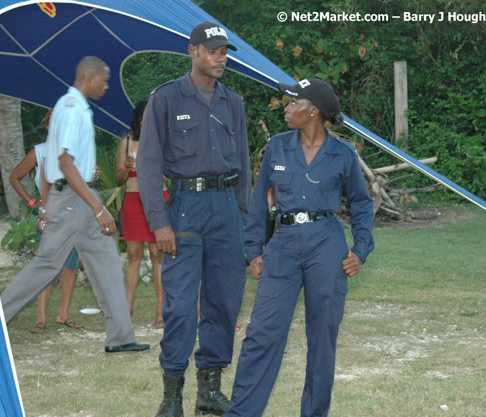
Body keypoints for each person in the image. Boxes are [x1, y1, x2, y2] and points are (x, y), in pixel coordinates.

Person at [226, 78, 375, 417]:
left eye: (293, 103)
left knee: (322, 339)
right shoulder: (277, 147)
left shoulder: (343, 153)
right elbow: (258, 203)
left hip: (326, 243)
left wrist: (361, 248)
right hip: (284, 245)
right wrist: (254, 250)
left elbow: (361, 204)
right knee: (261, 334)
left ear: (314, 111)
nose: (286, 108)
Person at [136, 21, 250, 417]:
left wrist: (243, 218)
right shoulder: (166, 99)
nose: (221, 57)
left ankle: (210, 391)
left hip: (226, 210)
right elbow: (148, 164)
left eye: (224, 51)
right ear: (193, 52)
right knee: (181, 306)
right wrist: (158, 221)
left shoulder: (233, 102)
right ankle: (172, 397)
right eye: (213, 49)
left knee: (223, 303)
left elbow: (245, 166)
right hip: (184, 210)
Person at [1, 56, 149, 354]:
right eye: (104, 80)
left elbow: (74, 162)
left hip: (80, 198)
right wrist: (98, 206)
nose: (107, 86)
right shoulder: (69, 110)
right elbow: (65, 163)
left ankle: (121, 337)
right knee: (48, 265)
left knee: (107, 262)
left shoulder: (79, 108)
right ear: (89, 77)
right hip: (71, 201)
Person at [8, 110, 83, 334]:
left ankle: (64, 315)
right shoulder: (39, 152)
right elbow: (14, 177)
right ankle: (41, 319)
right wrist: (32, 202)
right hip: (48, 216)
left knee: (70, 267)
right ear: (48, 127)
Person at [116, 100, 168, 328]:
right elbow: (119, 178)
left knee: (158, 254)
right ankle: (127, 311)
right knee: (133, 255)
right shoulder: (126, 143)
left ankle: (161, 311)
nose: (148, 120)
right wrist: (127, 167)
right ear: (137, 119)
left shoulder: (164, 141)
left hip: (157, 200)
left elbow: (173, 173)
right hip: (133, 200)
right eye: (144, 116)